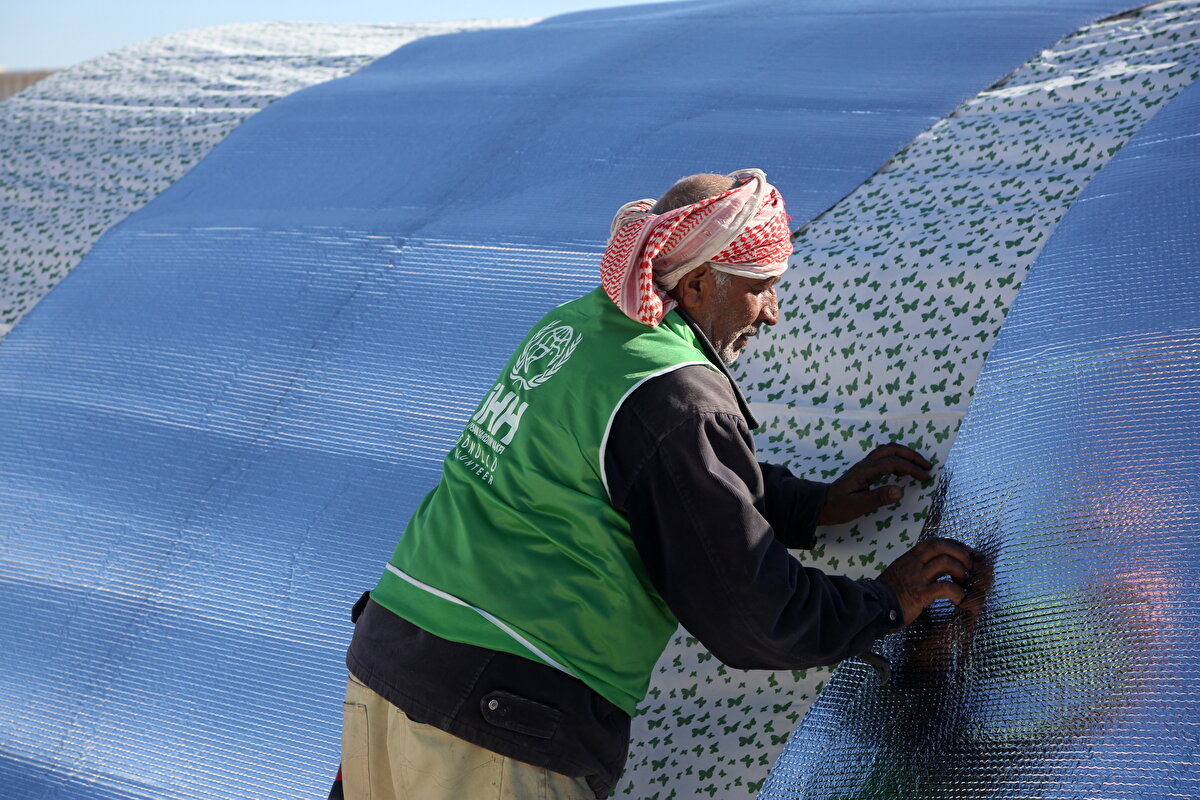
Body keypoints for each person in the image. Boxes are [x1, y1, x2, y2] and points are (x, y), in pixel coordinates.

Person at [337, 169, 974, 800]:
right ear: (698, 283)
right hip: (496, 718)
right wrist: (885, 600)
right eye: (762, 288)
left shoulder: (581, 327)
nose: (773, 313)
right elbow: (751, 613)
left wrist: (811, 505)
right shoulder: (673, 392)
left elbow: (646, 475)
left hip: (389, 670)